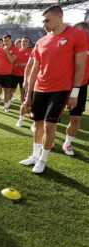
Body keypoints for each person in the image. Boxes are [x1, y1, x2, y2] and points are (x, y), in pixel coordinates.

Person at [20, 5, 87, 173]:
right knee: (37, 124)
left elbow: (80, 66)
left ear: (59, 17)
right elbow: (35, 69)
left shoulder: (77, 35)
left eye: (47, 20)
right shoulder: (42, 41)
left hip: (61, 89)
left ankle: (43, 159)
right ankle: (34, 156)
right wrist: (28, 94)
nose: (44, 24)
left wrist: (75, 92)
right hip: (39, 88)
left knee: (50, 126)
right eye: (43, 21)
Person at [62, 21, 89, 156]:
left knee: (75, 118)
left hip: (81, 86)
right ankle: (48, 138)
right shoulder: (67, 44)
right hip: (62, 84)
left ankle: (67, 143)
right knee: (55, 115)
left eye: (77, 31)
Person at [0, 34, 18, 112]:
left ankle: (6, 106)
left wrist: (7, 51)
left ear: (10, 40)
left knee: (6, 91)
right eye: (4, 41)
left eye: (6, 40)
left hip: (7, 74)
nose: (5, 42)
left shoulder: (15, 49)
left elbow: (11, 60)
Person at [11, 36, 32, 105]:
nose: (24, 42)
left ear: (28, 42)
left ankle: (22, 103)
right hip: (14, 74)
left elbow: (34, 63)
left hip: (24, 75)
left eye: (26, 41)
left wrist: (23, 64)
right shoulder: (17, 50)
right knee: (12, 90)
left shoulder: (31, 51)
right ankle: (8, 103)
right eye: (23, 41)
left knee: (22, 91)